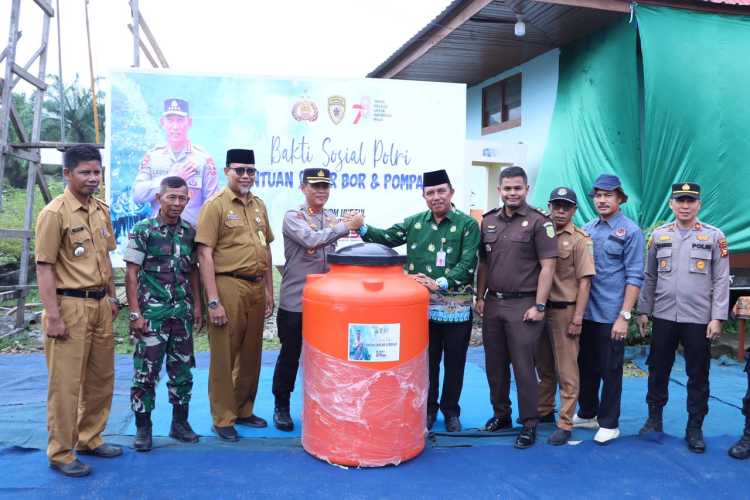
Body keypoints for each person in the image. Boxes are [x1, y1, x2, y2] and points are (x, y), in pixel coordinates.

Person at [361, 169, 480, 432]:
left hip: (456, 307)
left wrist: (440, 283)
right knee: (427, 362)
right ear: (424, 196)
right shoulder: (415, 223)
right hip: (422, 308)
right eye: (430, 193)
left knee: (455, 362)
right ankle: (428, 409)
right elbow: (387, 238)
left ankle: (451, 411)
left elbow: (468, 262)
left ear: (451, 192)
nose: (436, 197)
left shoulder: (467, 224)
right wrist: (361, 226)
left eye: (441, 191)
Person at [35, 145, 123, 477]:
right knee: (66, 384)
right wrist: (53, 316)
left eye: (96, 172)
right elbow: (44, 268)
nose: (92, 178)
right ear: (67, 174)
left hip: (101, 305)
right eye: (84, 172)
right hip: (68, 306)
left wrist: (113, 297)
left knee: (102, 379)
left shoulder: (101, 210)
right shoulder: (55, 213)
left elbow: (104, 259)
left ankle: (90, 437)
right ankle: (60, 451)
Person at [637, 183, 729, 453]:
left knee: (698, 374)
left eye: (690, 201)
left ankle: (694, 427)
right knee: (657, 369)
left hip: (699, 318)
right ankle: (654, 418)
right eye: (680, 201)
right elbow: (650, 276)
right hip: (664, 314)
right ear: (672, 204)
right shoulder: (659, 236)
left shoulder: (715, 237)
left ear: (698, 204)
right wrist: (644, 310)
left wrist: (718, 317)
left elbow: (722, 279)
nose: (685, 206)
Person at [271, 168, 363, 431]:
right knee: (290, 354)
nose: (321, 191)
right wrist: (346, 226)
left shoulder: (332, 218)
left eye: (325, 186)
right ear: (303, 188)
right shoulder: (294, 217)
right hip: (296, 302)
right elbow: (311, 239)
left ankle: (325, 405)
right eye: (315, 186)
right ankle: (282, 406)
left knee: (326, 357)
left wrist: (348, 225)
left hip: (325, 305)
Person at [475, 166, 557, 449]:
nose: (512, 193)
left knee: (524, 367)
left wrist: (540, 305)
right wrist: (480, 296)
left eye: (517, 188)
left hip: (524, 305)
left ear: (526, 189)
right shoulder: (487, 222)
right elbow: (483, 263)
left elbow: (548, 267)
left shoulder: (539, 222)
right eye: (507, 188)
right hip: (494, 304)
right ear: (500, 190)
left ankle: (530, 423)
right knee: (494, 366)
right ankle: (502, 415)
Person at [196, 148, 274, 442]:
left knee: (252, 352)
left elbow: (266, 246)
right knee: (224, 355)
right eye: (239, 170)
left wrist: (268, 289)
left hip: (255, 286)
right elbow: (204, 254)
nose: (245, 176)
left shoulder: (258, 205)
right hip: (227, 285)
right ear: (227, 171)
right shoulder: (215, 205)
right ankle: (223, 417)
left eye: (250, 171)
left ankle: (243, 409)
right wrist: (212, 300)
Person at [124, 176, 204, 451]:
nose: (177, 203)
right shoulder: (143, 230)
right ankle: (143, 428)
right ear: (159, 198)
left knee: (182, 371)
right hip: (152, 315)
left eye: (182, 198)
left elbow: (192, 269)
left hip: (180, 314)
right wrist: (135, 313)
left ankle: (179, 424)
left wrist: (196, 305)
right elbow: (131, 274)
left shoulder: (189, 232)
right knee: (145, 373)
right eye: (172, 197)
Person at [573, 173, 644, 444]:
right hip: (586, 313)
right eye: (598, 195)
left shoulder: (631, 231)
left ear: (620, 199)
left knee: (610, 370)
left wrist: (625, 316)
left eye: (608, 195)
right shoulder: (588, 229)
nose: (602, 200)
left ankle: (610, 422)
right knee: (586, 366)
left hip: (612, 315)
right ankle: (588, 412)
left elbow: (635, 276)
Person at [536, 187, 595, 445]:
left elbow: (585, 283)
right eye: (556, 205)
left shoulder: (580, 240)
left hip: (565, 310)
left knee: (567, 370)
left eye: (566, 206)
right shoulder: (541, 233)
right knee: (544, 366)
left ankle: (565, 422)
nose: (560, 211)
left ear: (574, 210)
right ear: (549, 206)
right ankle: (545, 411)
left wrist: (578, 318)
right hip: (541, 309)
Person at [133, 98, 219, 226]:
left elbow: (213, 206)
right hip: (158, 238)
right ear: (163, 122)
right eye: (170, 120)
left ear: (189, 122)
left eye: (180, 120)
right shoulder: (152, 157)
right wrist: (171, 178)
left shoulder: (203, 159)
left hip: (191, 238)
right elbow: (138, 196)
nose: (175, 127)